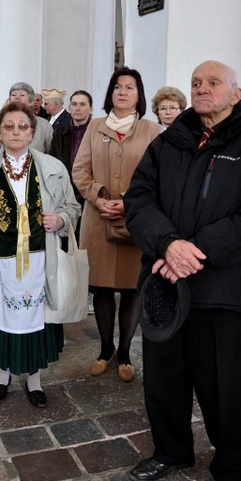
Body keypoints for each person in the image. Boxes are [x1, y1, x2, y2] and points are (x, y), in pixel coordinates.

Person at [124, 60, 241, 481]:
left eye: (214, 83)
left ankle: (231, 470)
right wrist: (168, 244)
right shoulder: (171, 139)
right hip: (167, 281)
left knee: (223, 389)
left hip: (224, 286)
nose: (202, 90)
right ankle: (172, 451)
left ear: (236, 92)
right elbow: (138, 198)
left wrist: (194, 251)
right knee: (163, 378)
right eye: (196, 83)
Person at [0, 101, 80, 406]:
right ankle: (2, 376)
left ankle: (34, 381)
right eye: (9, 126)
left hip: (40, 261)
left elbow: (72, 208)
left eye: (23, 126)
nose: (16, 132)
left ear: (33, 131)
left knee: (37, 319)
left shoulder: (53, 168)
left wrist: (60, 219)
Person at [71, 67, 162, 383]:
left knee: (132, 287)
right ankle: (105, 349)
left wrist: (127, 200)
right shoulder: (95, 128)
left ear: (140, 95)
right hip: (99, 220)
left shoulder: (152, 132)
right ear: (110, 94)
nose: (123, 92)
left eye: (131, 87)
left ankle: (125, 353)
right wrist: (99, 197)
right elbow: (80, 171)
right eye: (118, 87)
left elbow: (158, 176)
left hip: (136, 219)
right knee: (104, 288)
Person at [48, 89, 93, 208]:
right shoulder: (60, 132)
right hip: (65, 192)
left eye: (82, 104)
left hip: (90, 193)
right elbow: (53, 161)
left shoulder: (98, 133)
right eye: (74, 104)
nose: (77, 108)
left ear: (91, 108)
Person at [8, 83, 54, 153]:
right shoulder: (1, 125)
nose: (17, 98)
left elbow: (51, 152)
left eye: (22, 95)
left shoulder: (43, 125)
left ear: (31, 102)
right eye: (13, 95)